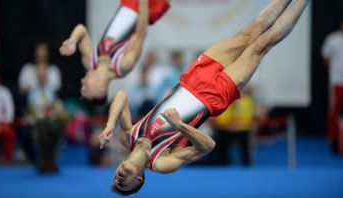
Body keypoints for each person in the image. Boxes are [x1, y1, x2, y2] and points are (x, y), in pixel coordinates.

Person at [98, 0, 310, 195]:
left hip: (192, 77)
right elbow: (208, 146)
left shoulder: (127, 137)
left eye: (115, 179)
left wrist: (109, 125)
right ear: (139, 180)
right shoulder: (161, 163)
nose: (118, 179)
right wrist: (180, 125)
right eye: (123, 185)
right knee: (261, 45)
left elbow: (121, 95)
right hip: (212, 97)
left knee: (250, 31)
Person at [59, 0, 170, 104]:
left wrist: (73, 40)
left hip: (126, 5)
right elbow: (140, 34)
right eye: (86, 87)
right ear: (101, 88)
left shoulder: (90, 63)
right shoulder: (123, 65)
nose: (82, 81)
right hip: (142, 8)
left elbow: (81, 29)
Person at [322, 19, 343, 153]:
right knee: (335, 111)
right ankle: (333, 139)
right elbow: (326, 57)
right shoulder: (333, 39)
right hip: (337, 81)